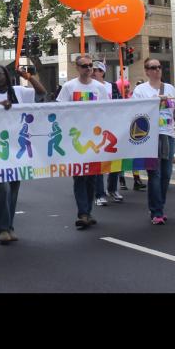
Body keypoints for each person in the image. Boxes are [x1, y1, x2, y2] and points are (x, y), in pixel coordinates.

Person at [0, 64, 46, 243]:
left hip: (17, 148)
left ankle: (9, 227)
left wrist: (28, 77)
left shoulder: (18, 92)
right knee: (3, 188)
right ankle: (2, 229)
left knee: (13, 190)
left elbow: (41, 93)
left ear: (6, 76)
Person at [57, 55, 110, 230]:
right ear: (77, 68)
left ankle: (88, 211)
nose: (88, 68)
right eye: (84, 66)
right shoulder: (69, 87)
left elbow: (107, 110)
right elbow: (60, 110)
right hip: (76, 139)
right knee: (79, 176)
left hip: (94, 138)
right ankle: (83, 213)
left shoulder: (100, 88)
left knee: (92, 177)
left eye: (90, 65)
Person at [133, 57, 175, 225]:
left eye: (159, 67)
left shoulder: (169, 88)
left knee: (166, 173)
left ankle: (158, 206)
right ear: (147, 71)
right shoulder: (140, 90)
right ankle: (157, 211)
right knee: (155, 173)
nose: (157, 70)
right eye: (153, 67)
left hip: (168, 134)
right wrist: (156, 102)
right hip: (151, 136)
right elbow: (136, 112)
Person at [91, 61, 124, 206]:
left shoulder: (112, 86)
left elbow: (119, 104)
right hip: (95, 127)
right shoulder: (89, 87)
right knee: (98, 160)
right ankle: (99, 193)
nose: (94, 72)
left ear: (103, 72)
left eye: (97, 70)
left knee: (115, 158)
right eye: (92, 69)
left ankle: (112, 188)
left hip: (112, 126)